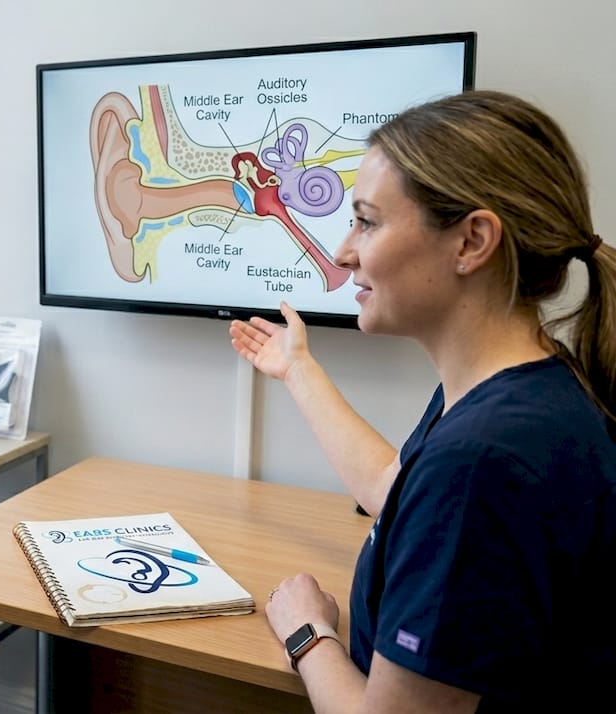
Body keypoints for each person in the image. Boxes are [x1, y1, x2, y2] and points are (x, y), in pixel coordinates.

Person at [229, 90, 616, 712]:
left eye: (368, 221)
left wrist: (308, 633)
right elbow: (402, 492)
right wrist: (297, 369)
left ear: (471, 242)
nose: (342, 252)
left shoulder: (485, 458)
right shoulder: (527, 392)